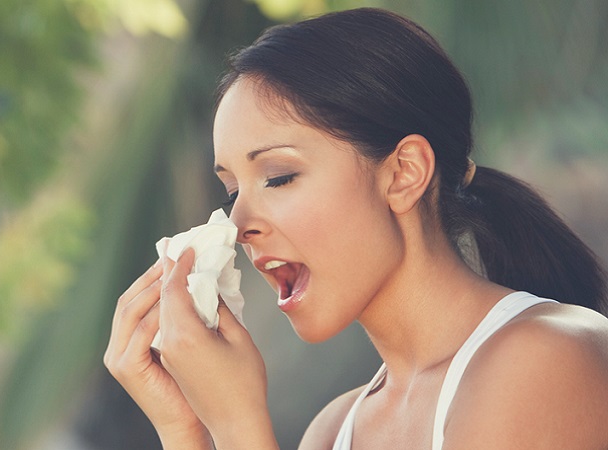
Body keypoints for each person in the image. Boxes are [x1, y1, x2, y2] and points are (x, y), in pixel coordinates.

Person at [103, 7, 608, 449]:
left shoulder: (544, 363)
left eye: (278, 177)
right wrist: (188, 430)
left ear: (404, 172)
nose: (237, 225)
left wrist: (238, 425)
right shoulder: (333, 431)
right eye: (233, 192)